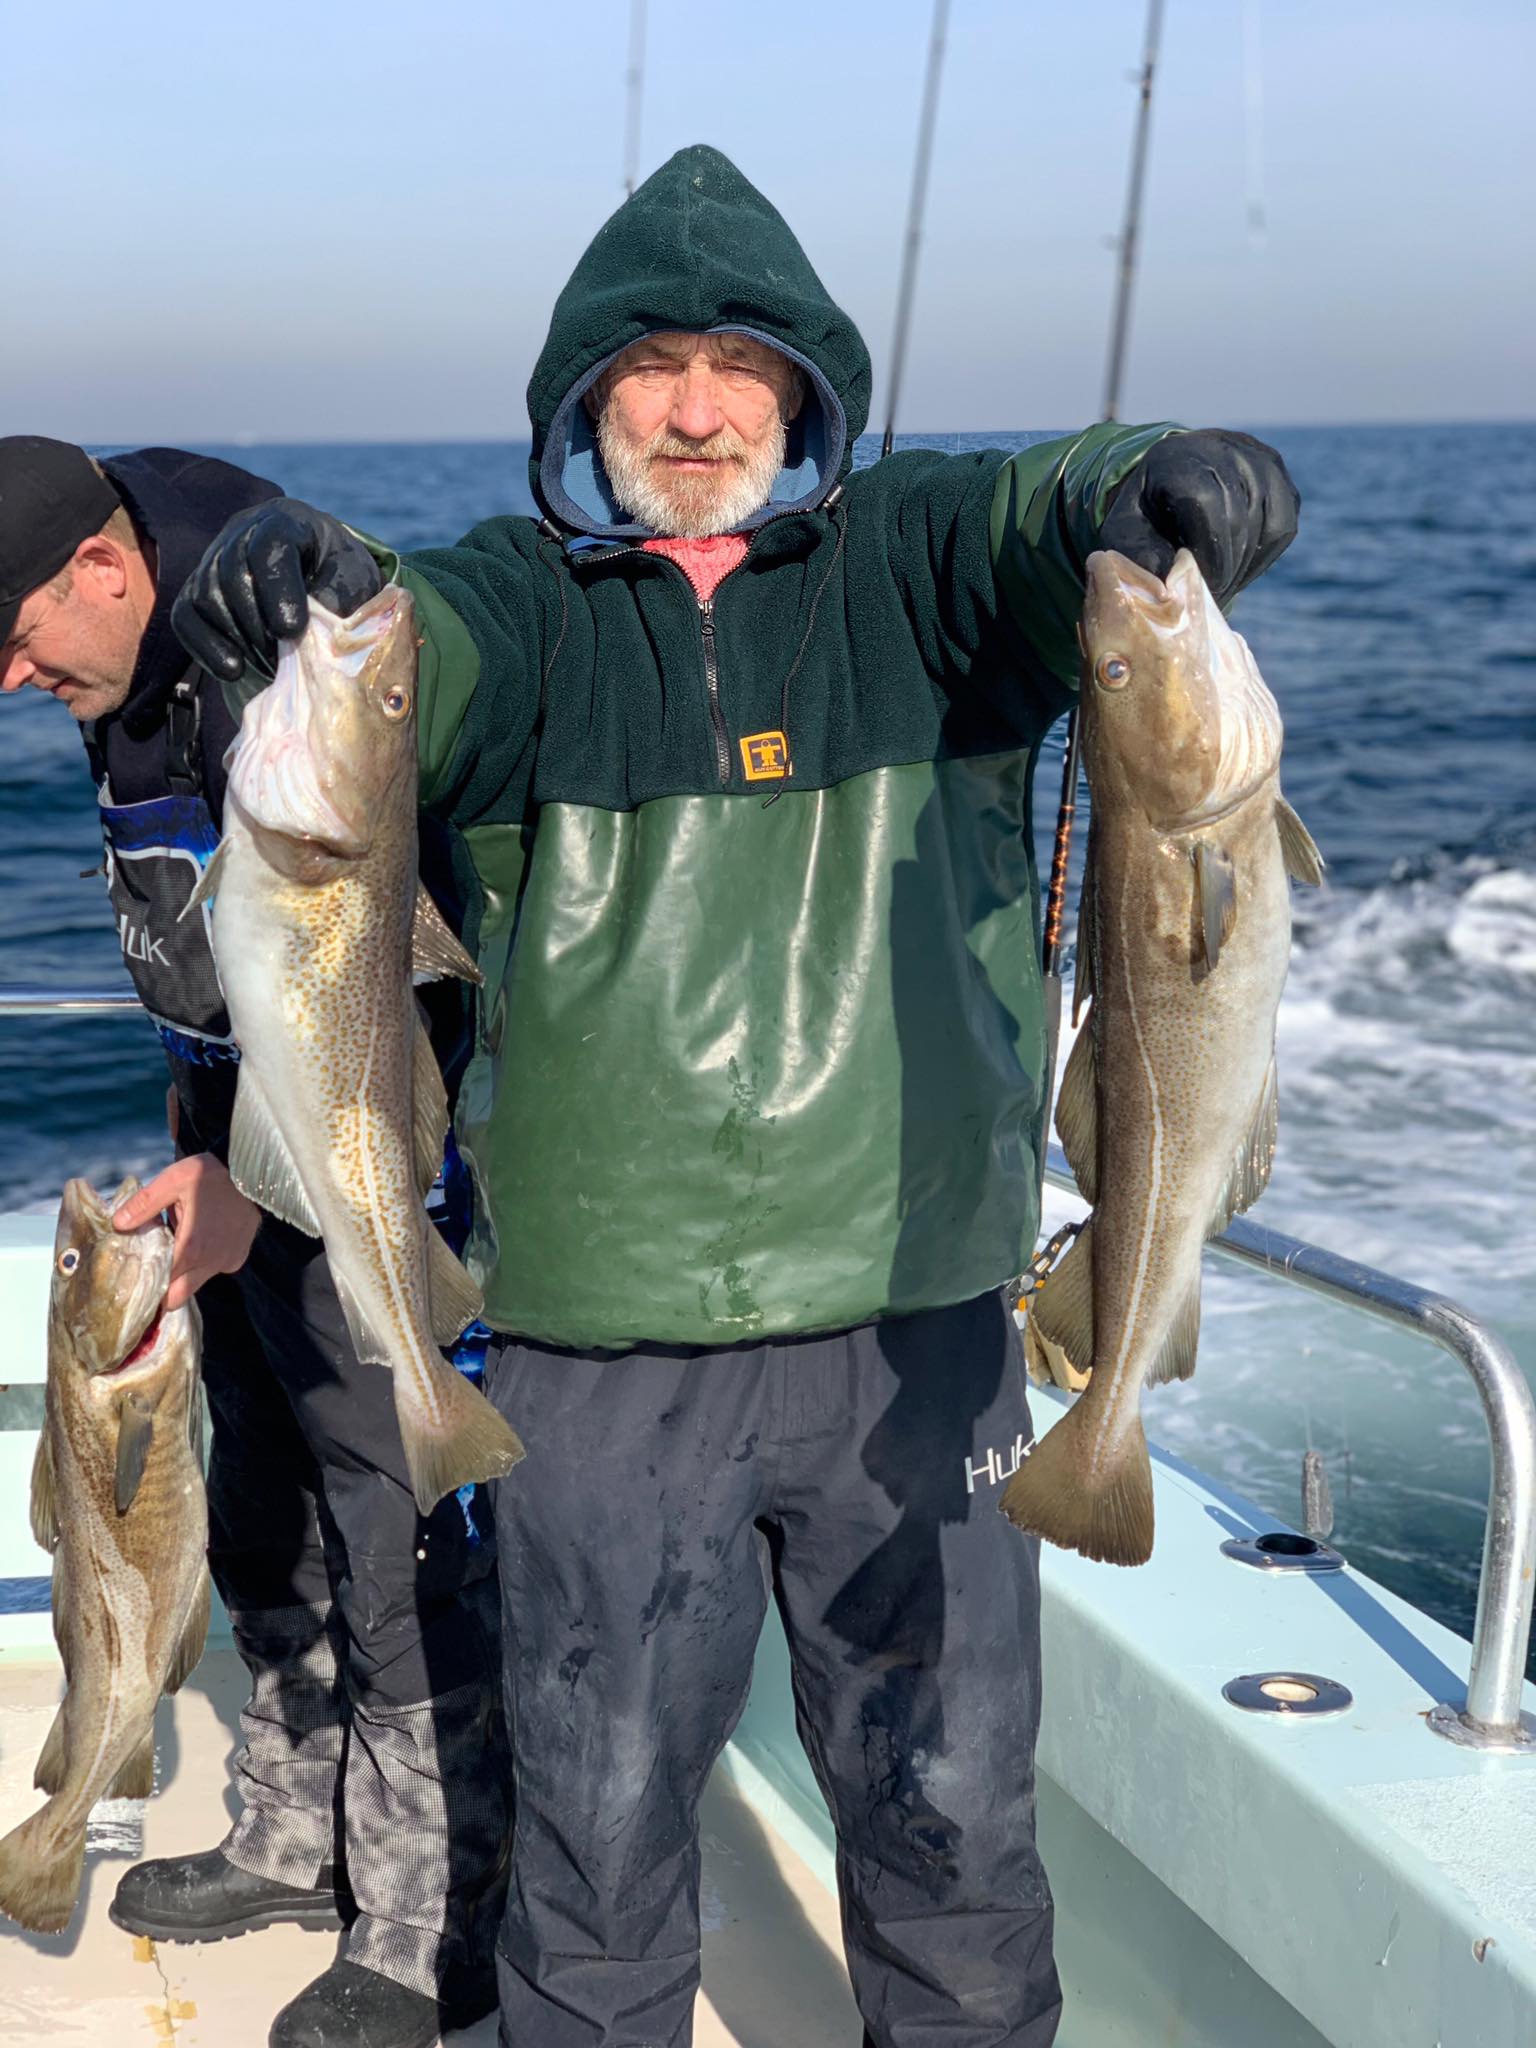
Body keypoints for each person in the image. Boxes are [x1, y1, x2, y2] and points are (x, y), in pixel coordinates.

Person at [175, 145, 1300, 2048]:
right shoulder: (525, 612)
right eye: (649, 369)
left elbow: (1042, 520)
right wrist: (321, 584)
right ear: (582, 400)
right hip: (599, 1367)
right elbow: (410, 660)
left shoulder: (927, 577)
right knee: (594, 1868)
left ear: (803, 398)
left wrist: (1147, 481)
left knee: (955, 1847)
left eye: (742, 366)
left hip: (922, 1331)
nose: (697, 410)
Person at [0, 437, 508, 2048]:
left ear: (104, 566)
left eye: (17, 642)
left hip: (363, 1168)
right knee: (262, 1506)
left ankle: (443, 1922)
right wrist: (202, 1159)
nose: (13, 680)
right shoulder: (122, 674)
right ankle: (297, 1838)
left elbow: (390, 977)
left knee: (401, 1538)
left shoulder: (278, 658)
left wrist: (257, 1184)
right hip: (225, 1153)